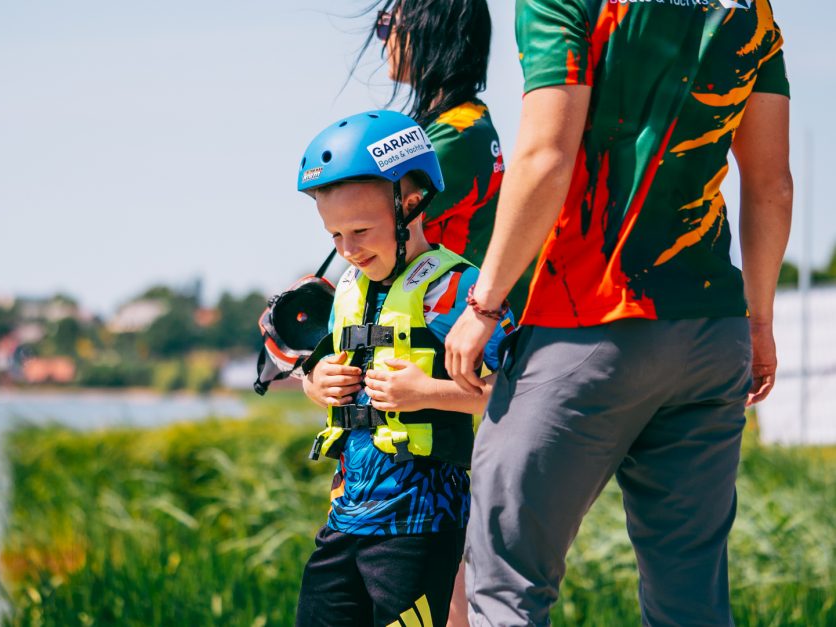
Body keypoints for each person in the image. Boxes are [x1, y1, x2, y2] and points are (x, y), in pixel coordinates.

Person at [444, 1, 792, 625]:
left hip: (585, 322)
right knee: (691, 600)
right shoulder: (751, 9)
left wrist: (484, 303)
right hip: (712, 332)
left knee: (505, 588)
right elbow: (771, 184)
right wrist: (759, 323)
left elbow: (546, 157)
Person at [293, 110, 514, 627]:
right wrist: (314, 383)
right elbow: (318, 372)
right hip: (344, 519)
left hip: (420, 526)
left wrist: (428, 392)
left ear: (410, 204)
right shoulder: (347, 290)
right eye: (335, 236)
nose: (349, 249)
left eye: (361, 230)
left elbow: (520, 392)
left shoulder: (456, 290)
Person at [360, 0, 529, 316]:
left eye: (387, 26)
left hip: (455, 321)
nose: (383, 39)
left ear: (428, 30)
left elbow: (369, 223)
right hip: (451, 314)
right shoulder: (457, 124)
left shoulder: (458, 132)